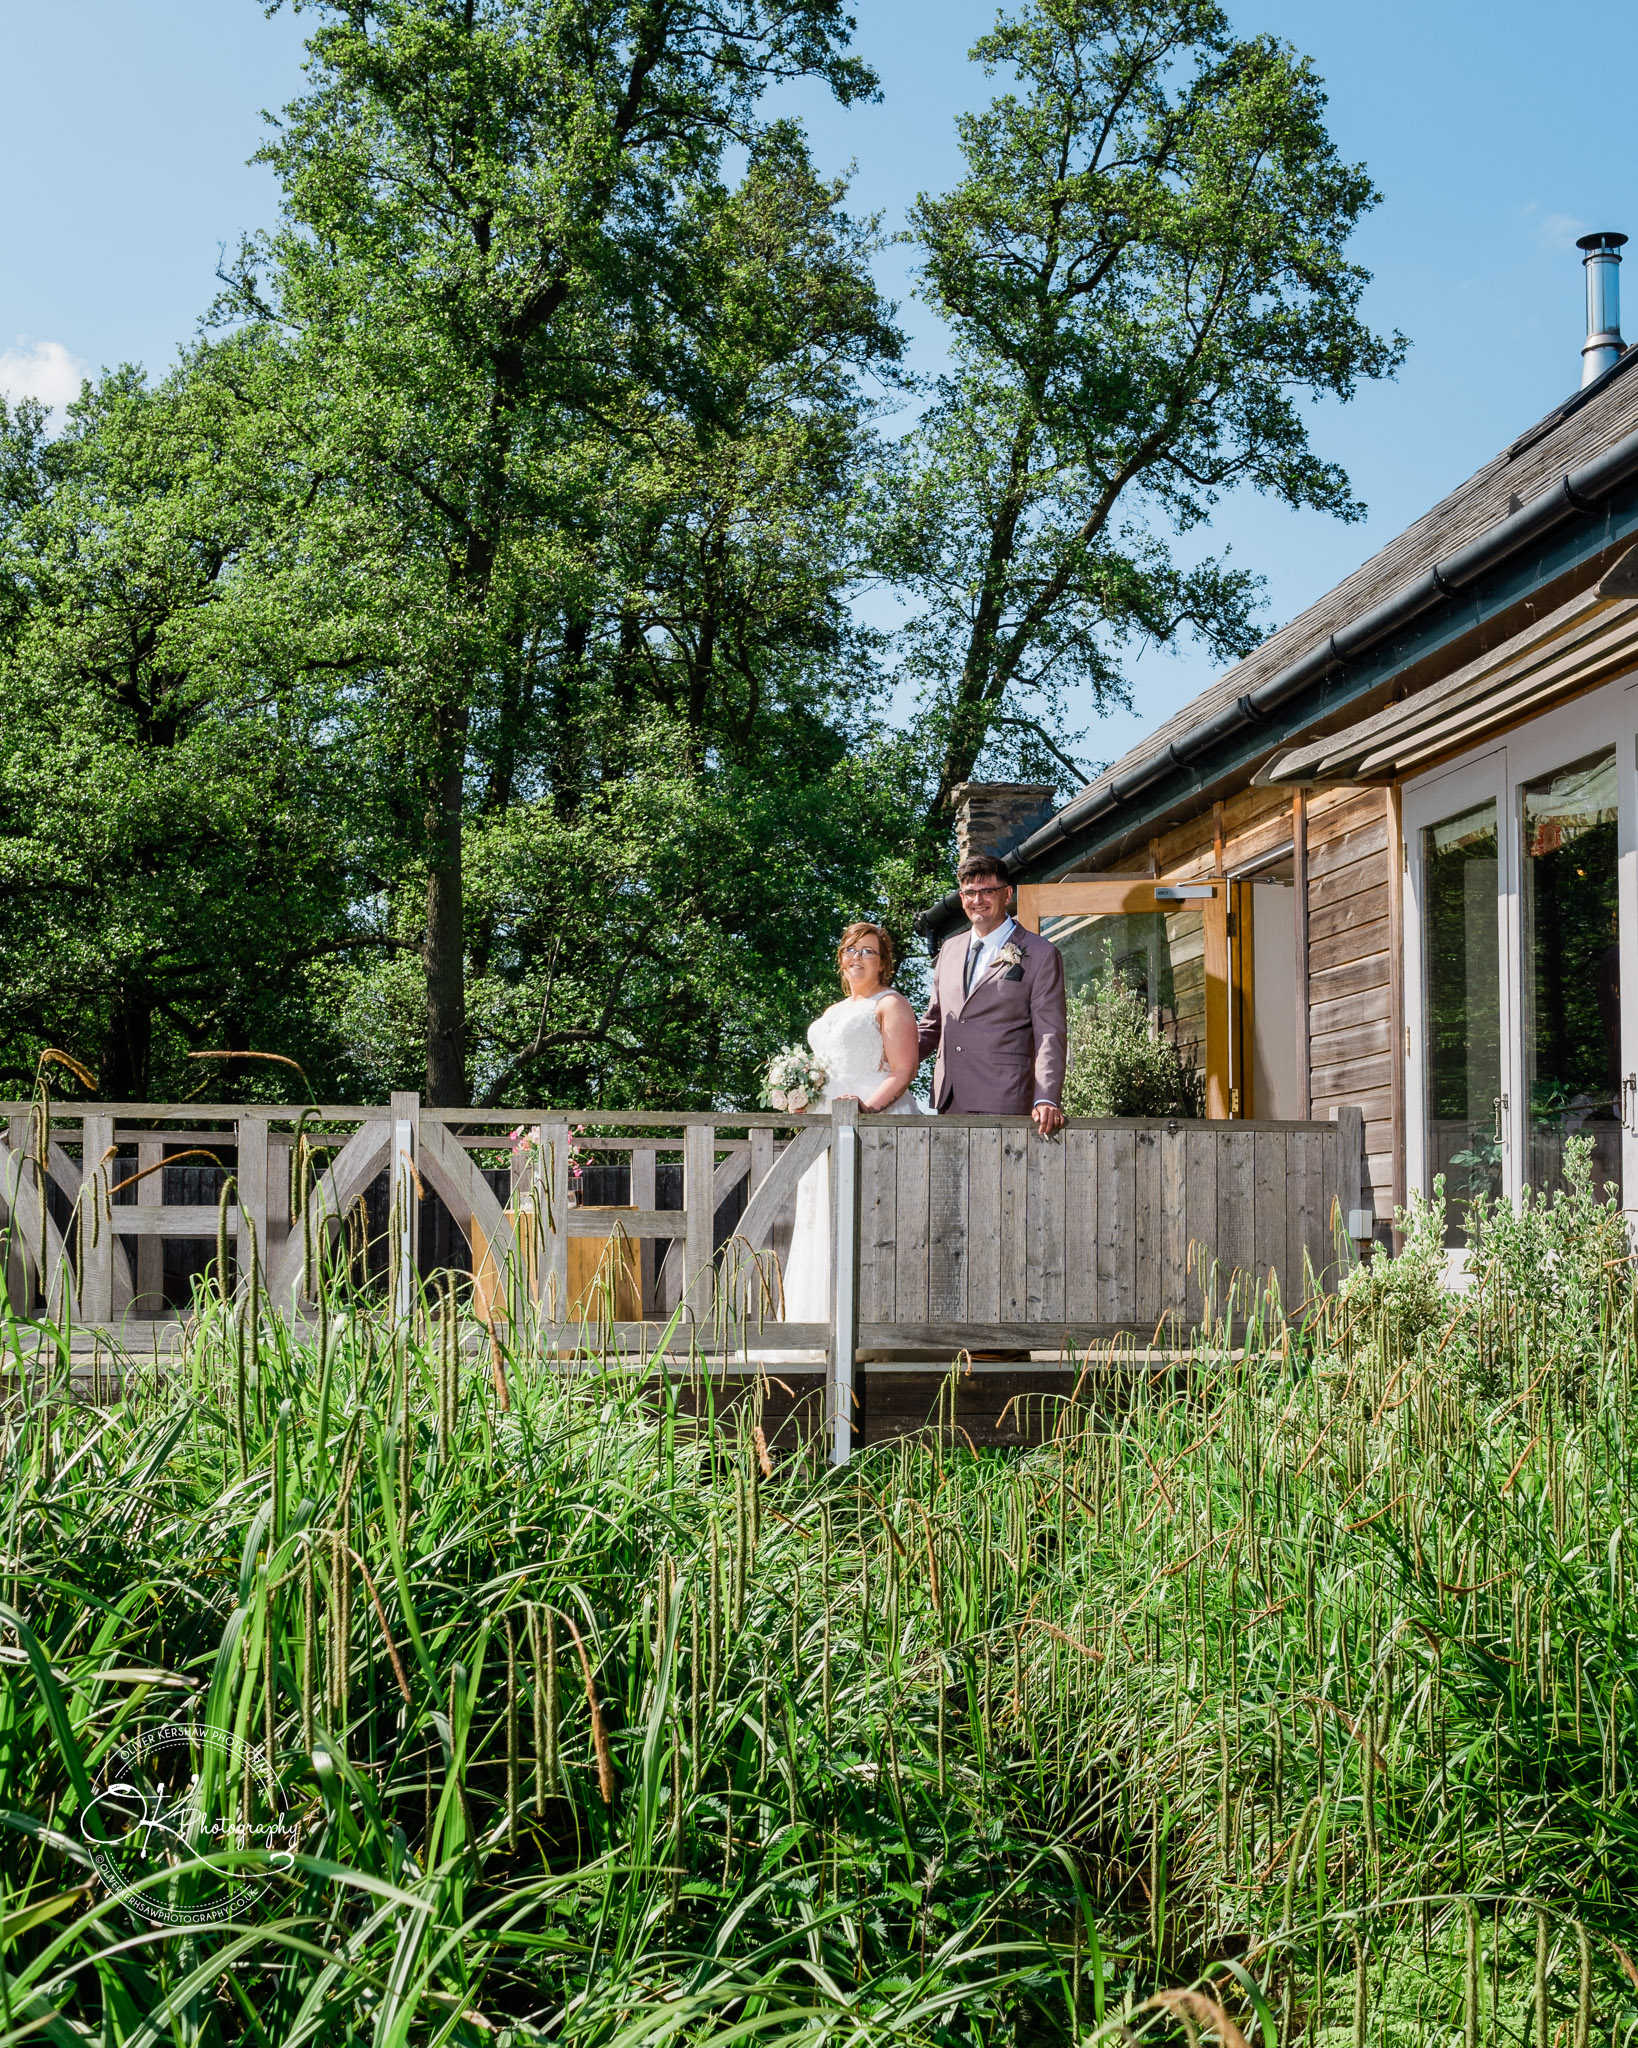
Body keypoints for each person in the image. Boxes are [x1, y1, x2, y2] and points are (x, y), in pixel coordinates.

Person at [782, 922, 921, 1323]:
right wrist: (801, 1097)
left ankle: (872, 1325)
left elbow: (903, 1070)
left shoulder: (890, 1004)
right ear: (841, 958)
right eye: (850, 950)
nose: (857, 958)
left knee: (869, 1219)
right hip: (826, 1124)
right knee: (822, 1218)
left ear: (883, 963)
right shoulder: (833, 1012)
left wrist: (868, 1109)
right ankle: (815, 1322)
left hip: (874, 1122)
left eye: (868, 951)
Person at [918, 852, 1066, 1134]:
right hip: (949, 1099)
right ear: (962, 898)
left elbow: (1050, 1032)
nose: (978, 900)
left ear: (1007, 894)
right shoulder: (949, 949)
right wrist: (885, 1060)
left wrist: (1046, 1096)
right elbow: (933, 1024)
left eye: (988, 891)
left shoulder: (1041, 953)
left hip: (1006, 1096)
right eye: (970, 892)